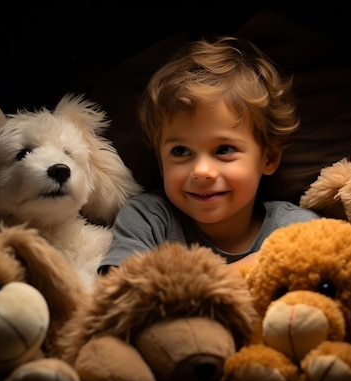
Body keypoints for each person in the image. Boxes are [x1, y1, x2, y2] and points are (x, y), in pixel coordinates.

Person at [98, 35, 319, 274]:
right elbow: (118, 287)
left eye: (224, 150)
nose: (201, 171)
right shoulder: (148, 219)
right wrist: (257, 265)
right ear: (161, 163)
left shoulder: (295, 228)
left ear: (269, 158)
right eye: (180, 151)